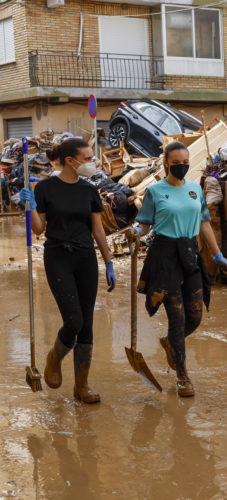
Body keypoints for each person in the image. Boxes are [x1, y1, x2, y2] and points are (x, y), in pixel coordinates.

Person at [128, 141, 227, 397]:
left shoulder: (196, 189)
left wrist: (217, 255)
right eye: (176, 163)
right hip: (164, 257)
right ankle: (182, 376)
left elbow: (204, 224)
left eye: (185, 162)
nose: (182, 166)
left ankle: (170, 343)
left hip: (190, 255)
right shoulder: (155, 192)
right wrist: (134, 232)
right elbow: (144, 224)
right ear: (165, 164)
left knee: (194, 317)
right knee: (177, 318)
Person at [19, 138, 116, 404]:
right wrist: (30, 205)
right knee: (74, 320)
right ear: (71, 161)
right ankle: (54, 357)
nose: (92, 163)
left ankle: (82, 386)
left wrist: (108, 262)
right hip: (58, 256)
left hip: (85, 257)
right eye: (87, 159)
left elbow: (98, 229)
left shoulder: (89, 190)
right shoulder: (46, 188)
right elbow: (39, 229)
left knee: (86, 325)